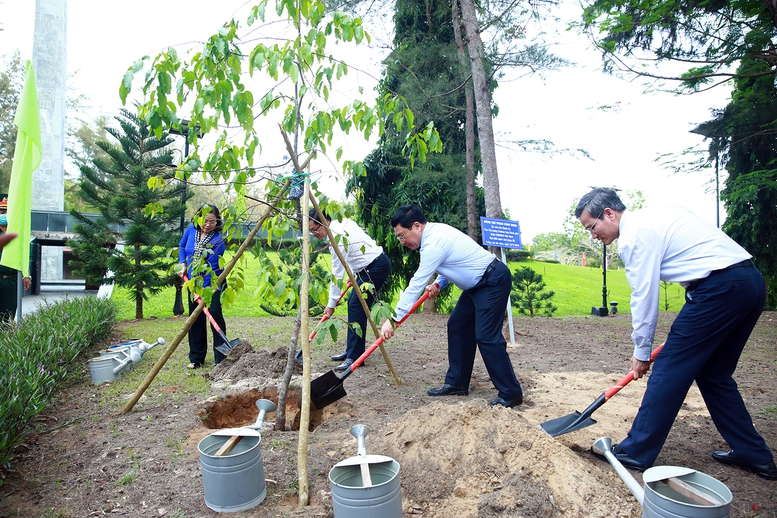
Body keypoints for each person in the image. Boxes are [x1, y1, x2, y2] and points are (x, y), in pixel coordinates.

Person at [577, 187, 776, 480]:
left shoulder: (634, 236)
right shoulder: (658, 214)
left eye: (592, 227)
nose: (593, 236)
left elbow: (644, 297)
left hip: (718, 288)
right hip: (749, 283)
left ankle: (635, 451)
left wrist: (641, 352)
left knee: (669, 369)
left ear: (609, 213)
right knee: (714, 374)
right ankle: (752, 453)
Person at [379, 203, 523, 408]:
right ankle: (457, 383)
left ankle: (511, 394)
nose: (402, 242)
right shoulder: (434, 236)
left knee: (486, 336)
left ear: (417, 226)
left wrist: (393, 319)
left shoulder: (433, 243)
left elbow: (416, 283)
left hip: (492, 281)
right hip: (476, 286)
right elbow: (454, 263)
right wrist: (439, 282)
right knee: (457, 325)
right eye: (399, 237)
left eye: (402, 235)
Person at [307, 208, 392, 371]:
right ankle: (351, 351)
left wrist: (331, 305)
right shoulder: (340, 224)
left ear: (324, 222)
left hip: (376, 266)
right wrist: (353, 273)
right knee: (354, 305)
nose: (313, 234)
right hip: (365, 268)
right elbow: (355, 250)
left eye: (314, 229)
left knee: (356, 305)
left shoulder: (337, 237)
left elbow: (337, 273)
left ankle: (355, 356)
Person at [178, 204, 227, 369]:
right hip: (192, 282)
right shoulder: (191, 230)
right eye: (205, 220)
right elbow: (182, 247)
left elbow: (212, 266)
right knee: (195, 319)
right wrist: (182, 263)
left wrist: (203, 292)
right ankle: (196, 358)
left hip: (211, 284)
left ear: (217, 221)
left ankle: (221, 358)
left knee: (214, 313)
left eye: (212, 221)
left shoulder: (218, 239)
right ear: (198, 217)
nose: (208, 224)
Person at [0, 198, 31, 322]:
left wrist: (26, 275)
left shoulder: (18, 233)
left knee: (7, 317)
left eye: (7, 211)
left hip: (12, 281)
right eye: (2, 211)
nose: (4, 215)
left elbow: (24, 255)